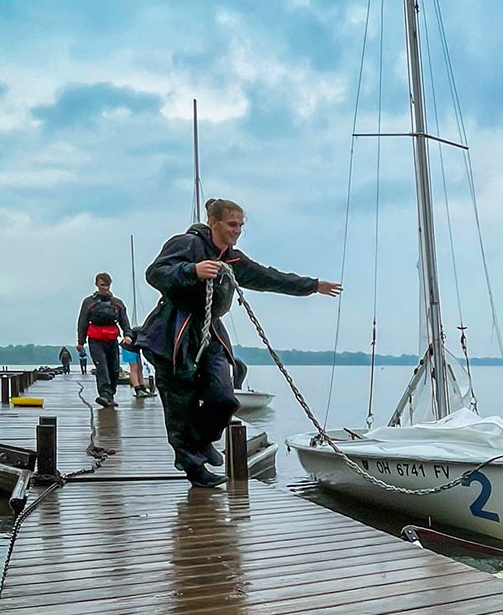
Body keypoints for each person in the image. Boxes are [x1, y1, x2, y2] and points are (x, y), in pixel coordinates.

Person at [133, 197, 342, 488]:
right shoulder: (187, 245)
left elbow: (268, 278)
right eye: (232, 224)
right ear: (213, 222)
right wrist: (190, 271)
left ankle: (203, 441)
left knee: (224, 398)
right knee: (181, 403)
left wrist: (312, 285)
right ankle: (193, 467)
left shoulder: (232, 259)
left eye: (241, 225)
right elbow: (155, 273)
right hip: (175, 330)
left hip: (211, 331)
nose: (237, 230)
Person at [75, 273, 133, 408]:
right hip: (95, 339)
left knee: (114, 369)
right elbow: (82, 321)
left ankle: (110, 394)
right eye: (102, 285)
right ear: (97, 284)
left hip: (112, 339)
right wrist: (80, 341)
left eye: (107, 285)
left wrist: (128, 334)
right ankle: (104, 394)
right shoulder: (89, 302)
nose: (105, 288)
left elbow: (124, 320)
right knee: (102, 367)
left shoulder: (117, 303)